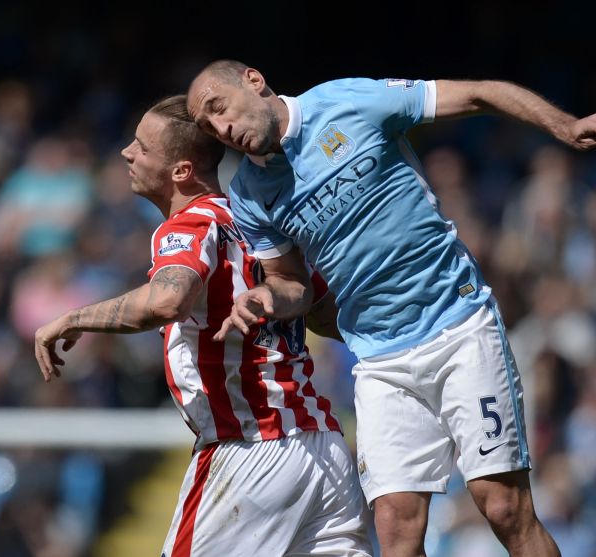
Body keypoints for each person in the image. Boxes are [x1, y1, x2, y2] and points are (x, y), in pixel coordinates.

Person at [187, 60, 596, 557]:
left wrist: (565, 127)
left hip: (458, 325)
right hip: (380, 361)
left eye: (219, 109)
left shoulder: (347, 101)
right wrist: (267, 297)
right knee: (396, 530)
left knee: (503, 507)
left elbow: (481, 91)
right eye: (209, 128)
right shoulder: (250, 194)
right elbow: (294, 284)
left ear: (254, 80)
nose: (222, 130)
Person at [34, 95, 373, 557]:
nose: (126, 154)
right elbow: (325, 311)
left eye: (142, 147)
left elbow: (169, 299)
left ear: (181, 171)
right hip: (323, 448)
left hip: (252, 451)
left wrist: (74, 317)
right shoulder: (261, 223)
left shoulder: (191, 224)